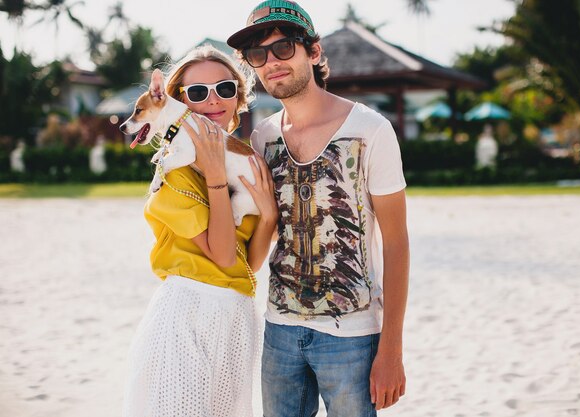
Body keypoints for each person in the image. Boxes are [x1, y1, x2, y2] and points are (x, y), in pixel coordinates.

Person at [227, 2, 410, 416]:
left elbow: (397, 241)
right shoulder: (263, 140)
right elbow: (260, 235)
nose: (271, 62)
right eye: (259, 54)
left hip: (352, 335)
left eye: (284, 48)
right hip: (280, 331)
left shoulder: (371, 130)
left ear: (313, 51)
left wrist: (392, 349)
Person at [122, 45, 278, 417]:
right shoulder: (175, 174)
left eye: (224, 88)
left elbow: (246, 265)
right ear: (178, 103)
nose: (212, 100)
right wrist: (213, 177)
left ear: (238, 98)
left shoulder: (248, 167)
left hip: (238, 317)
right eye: (196, 92)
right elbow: (222, 255)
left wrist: (269, 216)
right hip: (187, 314)